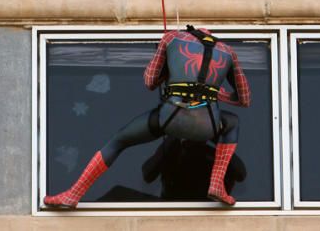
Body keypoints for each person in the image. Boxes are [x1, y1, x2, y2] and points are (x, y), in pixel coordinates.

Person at [43, 26, 251, 208]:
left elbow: (150, 82)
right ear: (210, 36)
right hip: (208, 122)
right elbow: (244, 99)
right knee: (233, 122)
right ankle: (217, 183)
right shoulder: (228, 51)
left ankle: (74, 194)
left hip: (170, 117)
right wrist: (213, 92)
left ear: (190, 34)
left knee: (119, 141)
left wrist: (170, 74)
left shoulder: (171, 38)